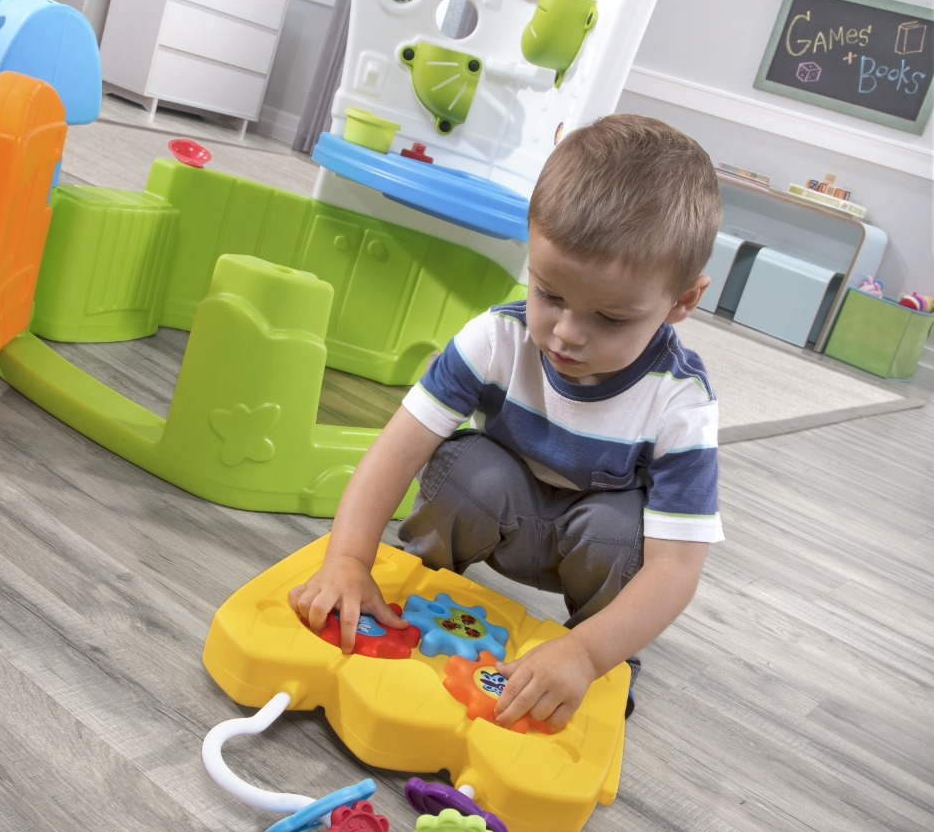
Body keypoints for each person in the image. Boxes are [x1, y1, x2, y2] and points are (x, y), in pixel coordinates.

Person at [289, 113, 724, 729]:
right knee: (467, 465)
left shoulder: (680, 402)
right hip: (501, 506)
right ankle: (417, 578)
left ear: (682, 302)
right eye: (550, 294)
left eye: (611, 319)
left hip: (594, 542)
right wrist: (349, 561)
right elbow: (396, 451)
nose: (568, 334)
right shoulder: (495, 338)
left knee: (619, 531)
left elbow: (677, 568)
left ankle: (594, 653)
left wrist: (587, 652)